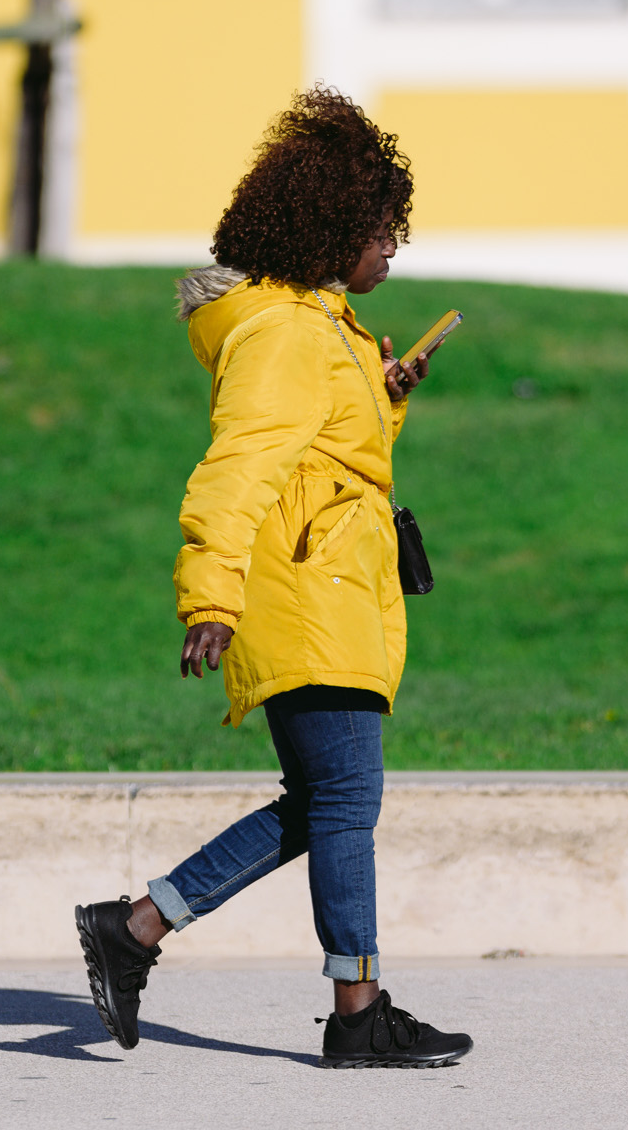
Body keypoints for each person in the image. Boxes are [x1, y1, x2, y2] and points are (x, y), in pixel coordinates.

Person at [75, 88, 472, 1071]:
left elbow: (330, 458)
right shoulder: (286, 332)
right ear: (330, 229)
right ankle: (355, 1008)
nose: (392, 249)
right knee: (342, 797)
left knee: (324, 800)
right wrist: (209, 592)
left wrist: (384, 401)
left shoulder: (322, 327)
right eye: (381, 230)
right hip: (305, 593)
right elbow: (239, 461)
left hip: (334, 585)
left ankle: (135, 928)